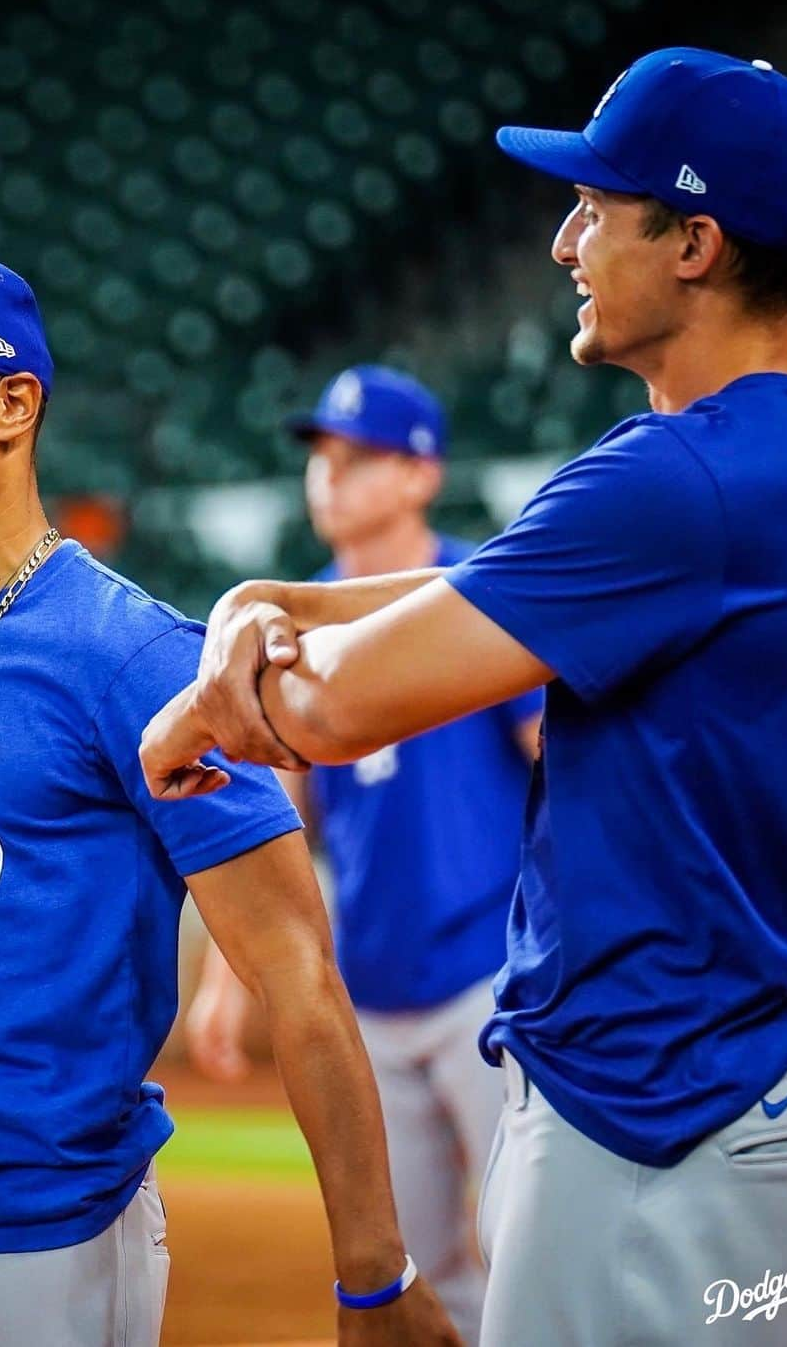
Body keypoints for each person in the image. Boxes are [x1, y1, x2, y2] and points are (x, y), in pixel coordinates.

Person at [140, 48, 787, 1346]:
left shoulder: (668, 481)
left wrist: (201, 695)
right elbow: (457, 607)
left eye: (595, 208)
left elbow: (329, 711)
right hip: (782, 1108)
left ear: (694, 243)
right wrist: (269, 602)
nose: (565, 242)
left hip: (652, 1130)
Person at [0, 243, 462, 1347]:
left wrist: (372, 1272)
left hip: (32, 1248)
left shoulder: (132, 655)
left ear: (11, 406)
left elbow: (295, 971)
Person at [187, 363, 541, 1347]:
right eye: (320, 457)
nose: (327, 476)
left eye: (358, 456)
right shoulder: (289, 629)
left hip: (494, 979)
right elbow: (268, 817)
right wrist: (227, 976)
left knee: (532, 1250)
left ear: (422, 474)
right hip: (371, 997)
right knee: (415, 1274)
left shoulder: (483, 593)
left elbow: (558, 763)